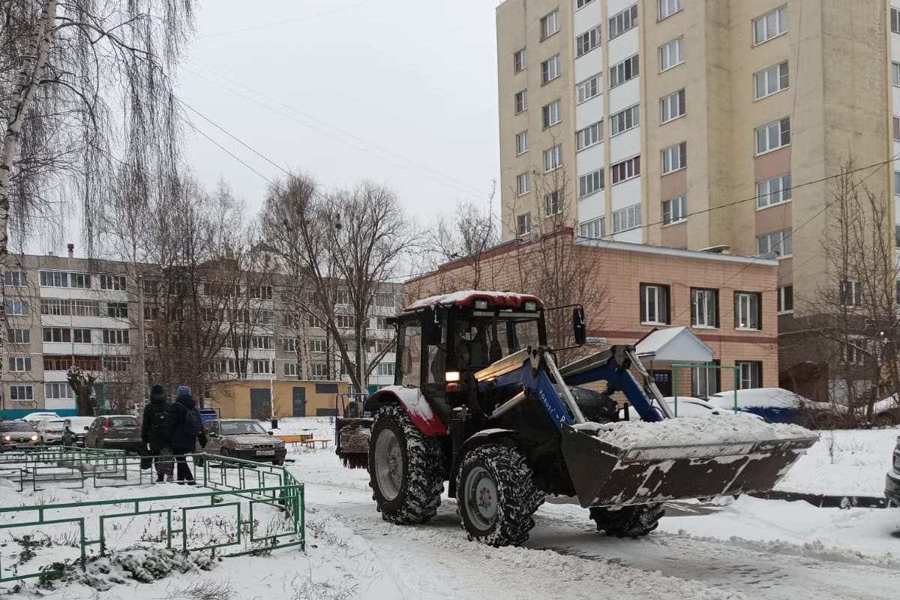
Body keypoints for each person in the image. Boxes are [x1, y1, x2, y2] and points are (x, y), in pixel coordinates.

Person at [168, 385, 207, 485]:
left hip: (178, 438)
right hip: (191, 437)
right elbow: (199, 423)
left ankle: (190, 480)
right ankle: (181, 481)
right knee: (181, 459)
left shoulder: (175, 407)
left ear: (178, 394)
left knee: (180, 459)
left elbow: (171, 424)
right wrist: (202, 437)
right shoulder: (194, 407)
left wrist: (168, 436)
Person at [141, 384, 174, 483]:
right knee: (168, 455)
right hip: (168, 436)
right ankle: (170, 474)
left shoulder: (149, 408)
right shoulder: (169, 406)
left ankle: (160, 476)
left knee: (156, 456)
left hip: (154, 437)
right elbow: (173, 422)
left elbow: (145, 424)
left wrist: (144, 438)